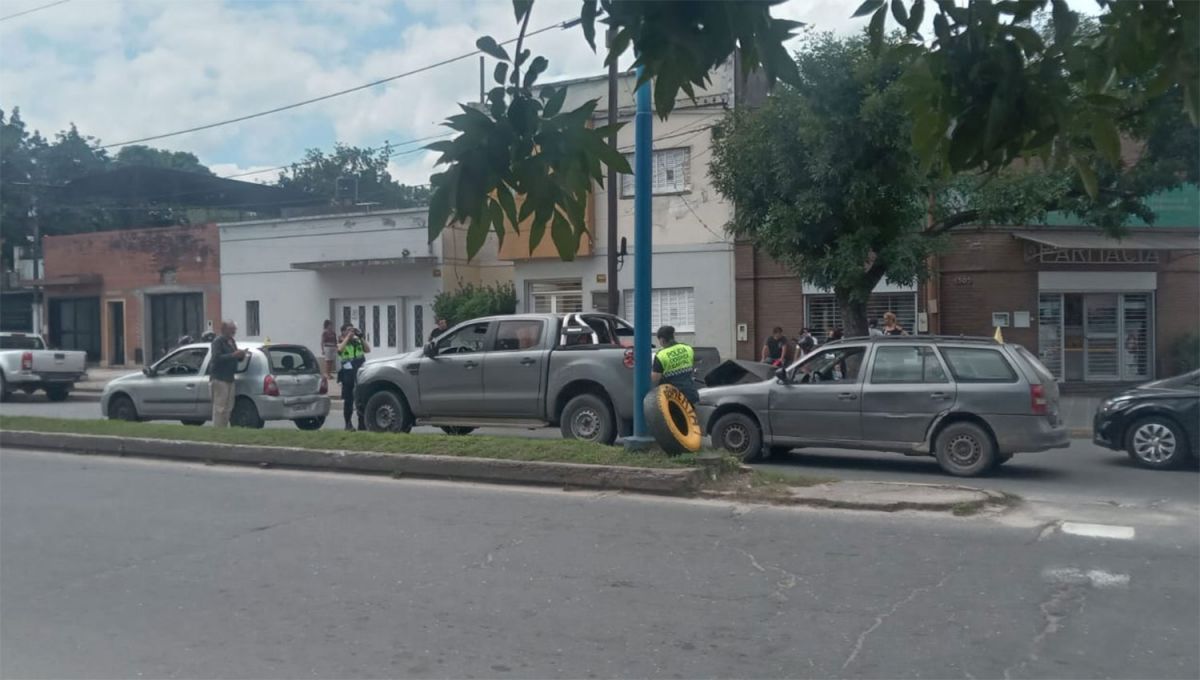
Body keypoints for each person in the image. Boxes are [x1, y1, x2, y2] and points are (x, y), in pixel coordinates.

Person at [210, 320, 247, 428]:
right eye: (232, 330)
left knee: (229, 406)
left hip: (230, 378)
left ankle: (224, 428)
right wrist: (233, 355)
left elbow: (235, 357)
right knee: (220, 407)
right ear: (224, 329)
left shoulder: (231, 341)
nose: (234, 332)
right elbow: (216, 358)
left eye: (234, 330)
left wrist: (241, 355)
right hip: (219, 378)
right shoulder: (218, 341)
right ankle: (218, 429)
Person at [651, 325, 699, 405]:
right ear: (673, 336)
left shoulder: (661, 355)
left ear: (662, 340)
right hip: (690, 394)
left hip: (673, 398)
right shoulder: (687, 348)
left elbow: (655, 379)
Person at [337, 324, 371, 431]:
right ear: (342, 332)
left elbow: (367, 349)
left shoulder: (357, 342)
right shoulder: (341, 342)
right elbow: (339, 350)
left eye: (352, 330)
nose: (351, 332)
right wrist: (347, 338)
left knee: (361, 400)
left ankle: (362, 424)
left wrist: (361, 337)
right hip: (347, 375)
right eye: (348, 330)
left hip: (360, 373)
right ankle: (348, 424)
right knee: (349, 401)